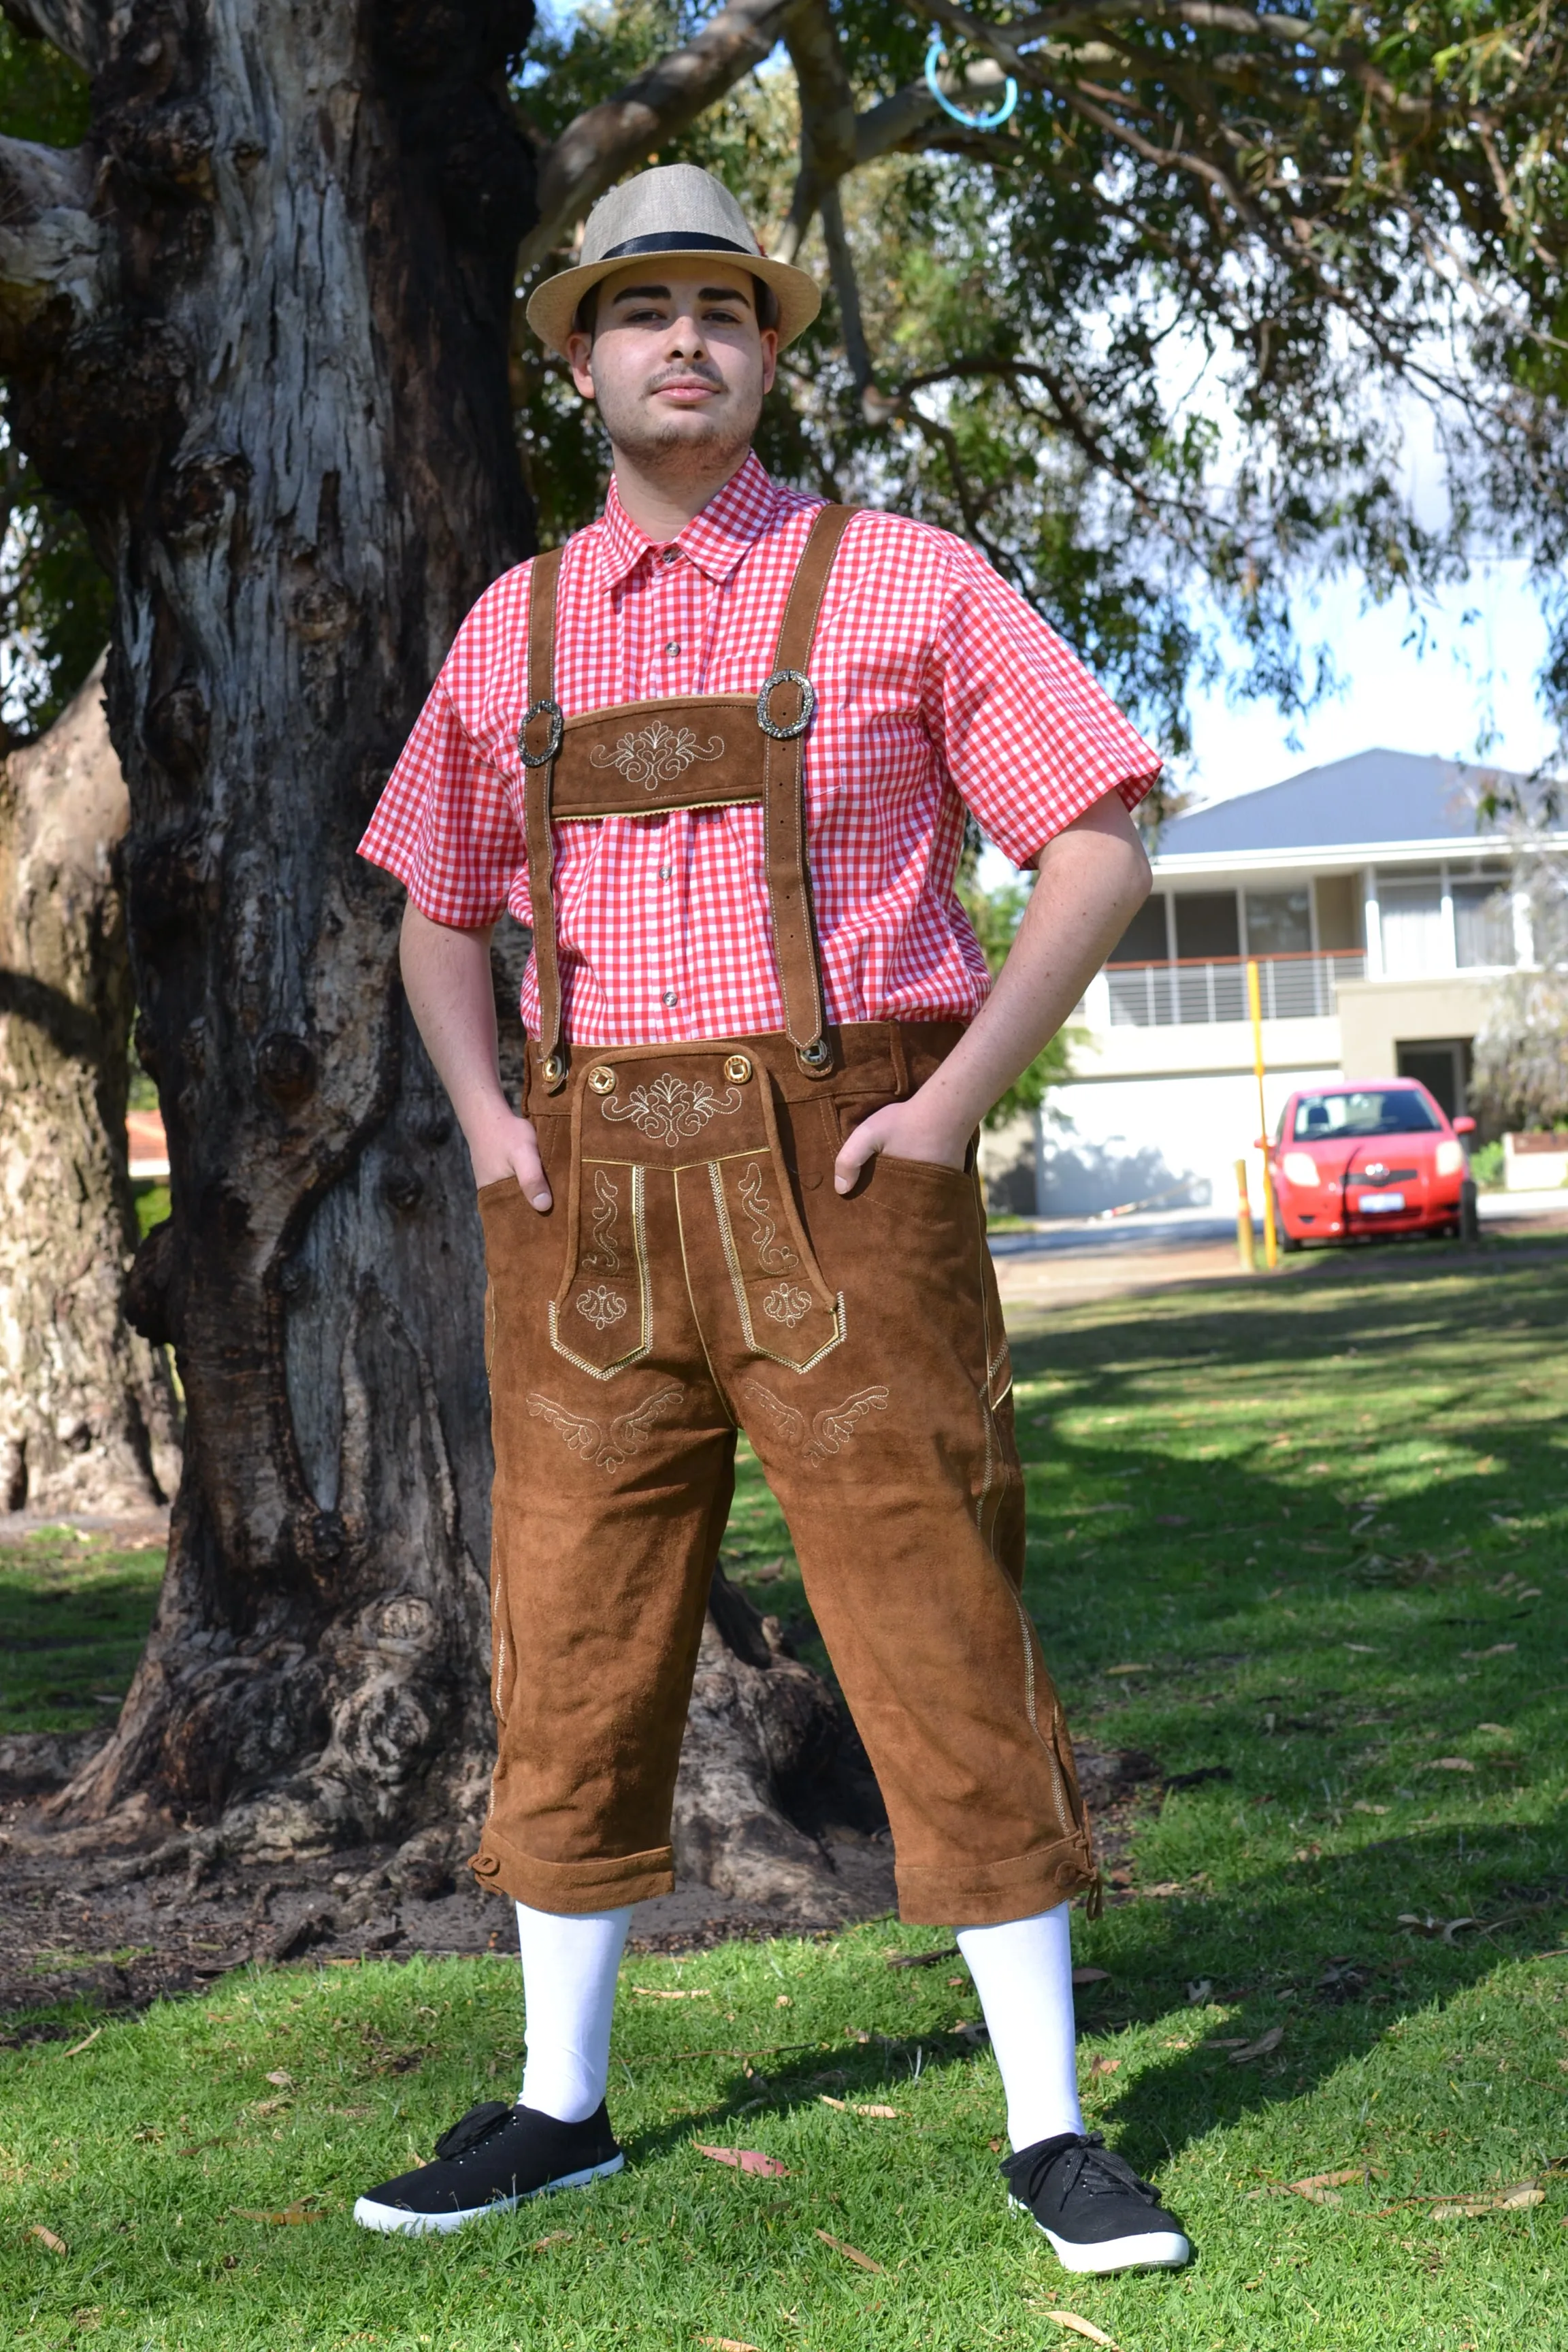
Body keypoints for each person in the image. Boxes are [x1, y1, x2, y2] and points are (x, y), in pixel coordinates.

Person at [351, 161, 1190, 2275]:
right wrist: (480, 1120)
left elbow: (1094, 841)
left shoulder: (904, 580)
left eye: (723, 306)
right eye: (643, 311)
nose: (685, 341)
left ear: (767, 347)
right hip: (581, 1199)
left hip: (844, 1175)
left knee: (933, 1620)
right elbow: (438, 909)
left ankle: (1052, 2128)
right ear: (584, 357)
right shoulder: (509, 625)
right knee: (572, 1636)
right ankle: (559, 2108)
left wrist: (948, 1109)